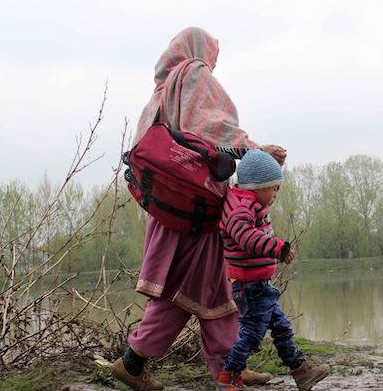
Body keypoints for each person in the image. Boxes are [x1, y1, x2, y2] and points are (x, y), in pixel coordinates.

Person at [110, 27, 287, 391]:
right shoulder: (194, 75)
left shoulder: (159, 94)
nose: (213, 62)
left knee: (215, 288)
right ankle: (132, 364)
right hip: (196, 209)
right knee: (183, 290)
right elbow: (216, 132)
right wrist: (258, 152)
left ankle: (229, 368)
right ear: (200, 51)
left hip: (173, 208)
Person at [217, 149, 331, 391]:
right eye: (274, 188)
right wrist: (277, 248)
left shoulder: (245, 201)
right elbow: (245, 236)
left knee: (281, 327)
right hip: (251, 286)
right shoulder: (240, 207)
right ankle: (229, 377)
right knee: (251, 334)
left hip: (259, 285)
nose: (276, 194)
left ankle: (301, 371)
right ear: (257, 186)